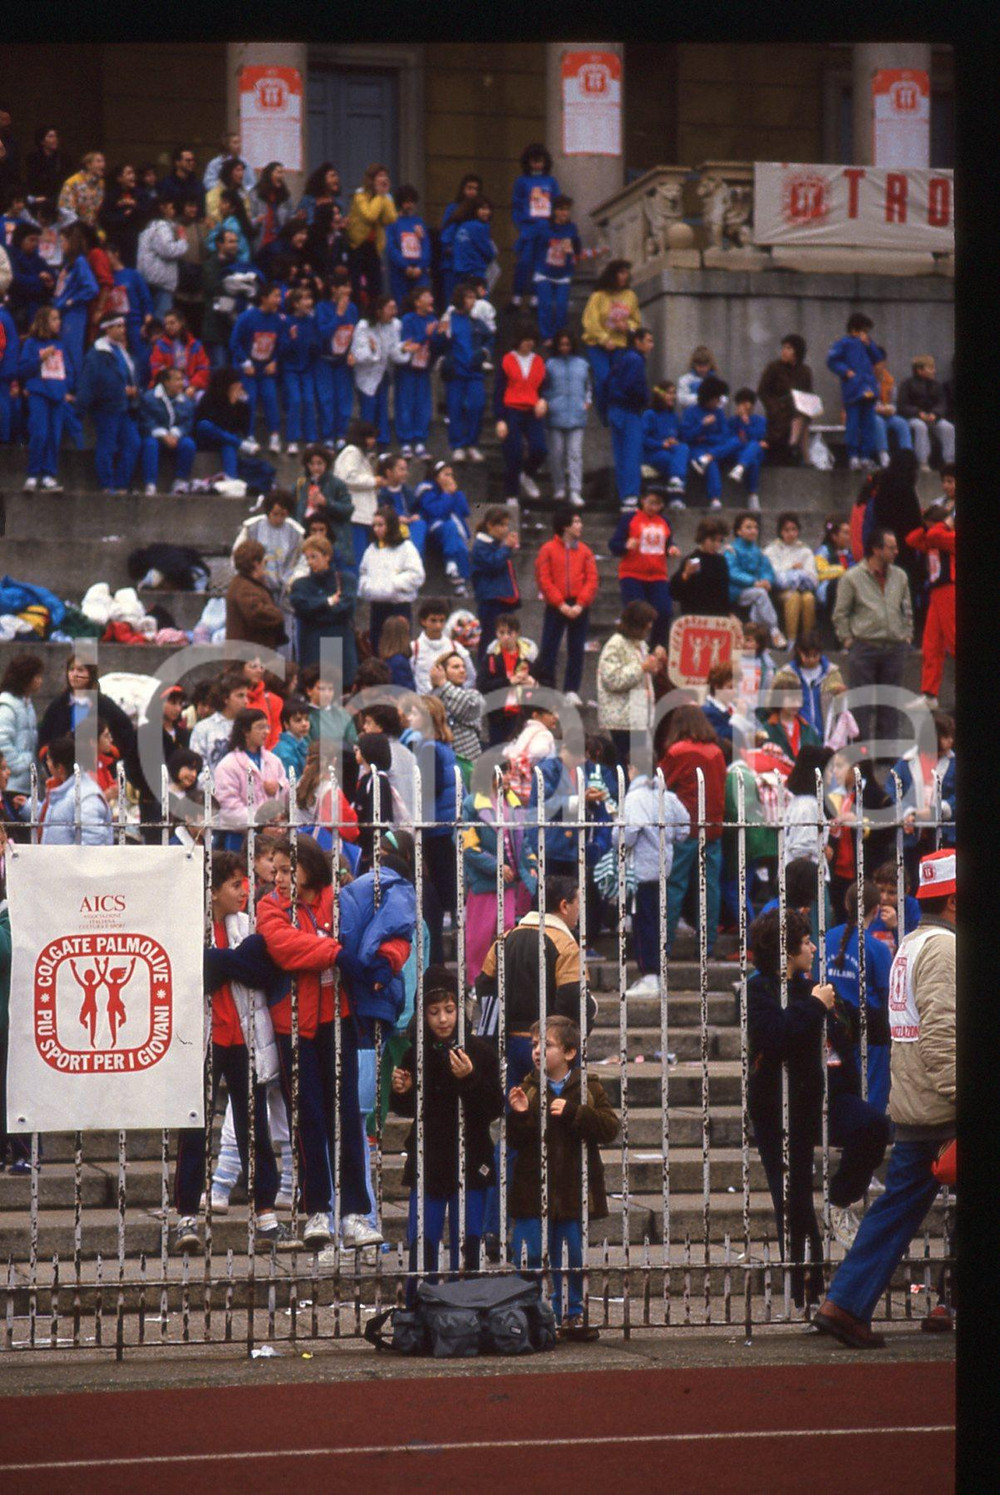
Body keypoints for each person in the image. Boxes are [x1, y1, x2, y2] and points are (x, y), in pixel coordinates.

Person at [813, 850, 955, 1348]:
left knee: (896, 1206)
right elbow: (940, 1035)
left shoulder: (911, 944)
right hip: (943, 1106)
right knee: (900, 1205)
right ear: (955, 900)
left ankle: (846, 1302)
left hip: (915, 1100)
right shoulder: (943, 950)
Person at [748, 908, 891, 1309]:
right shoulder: (759, 991)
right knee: (791, 1199)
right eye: (806, 942)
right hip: (779, 1109)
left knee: (874, 1127)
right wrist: (813, 1006)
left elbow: (861, 1022)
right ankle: (804, 1284)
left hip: (826, 1100)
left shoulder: (817, 987)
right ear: (787, 950)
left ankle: (840, 1200)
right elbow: (774, 1037)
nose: (813, 947)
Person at [257, 835, 386, 1251]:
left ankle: (353, 1214)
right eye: (273, 870)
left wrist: (383, 960)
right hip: (293, 1025)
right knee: (307, 1117)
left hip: (338, 1018)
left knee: (347, 1114)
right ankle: (317, 1210)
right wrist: (334, 952)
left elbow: (379, 933)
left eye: (284, 870)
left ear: (308, 869)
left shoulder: (340, 899)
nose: (275, 878)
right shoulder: (269, 906)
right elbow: (283, 948)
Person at [172, 851, 287, 1254]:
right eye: (235, 885)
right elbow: (191, 971)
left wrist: (223, 964)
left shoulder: (248, 924)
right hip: (205, 1040)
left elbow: (264, 971)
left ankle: (266, 1215)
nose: (244, 891)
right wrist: (232, 962)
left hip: (246, 1038)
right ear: (213, 890)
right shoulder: (190, 925)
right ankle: (186, 1216)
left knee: (254, 1127)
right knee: (195, 1127)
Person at [390, 966, 503, 1301]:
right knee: (422, 1236)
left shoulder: (479, 1052)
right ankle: (417, 1304)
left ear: (460, 1011)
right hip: (430, 1158)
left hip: (471, 1158)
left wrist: (469, 1077)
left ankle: (465, 1304)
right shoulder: (416, 1053)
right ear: (423, 1014)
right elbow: (409, 1109)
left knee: (466, 1239)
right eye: (434, 1011)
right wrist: (402, 1091)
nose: (443, 1019)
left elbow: (493, 1107)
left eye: (449, 1010)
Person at [508, 1015, 618, 1339]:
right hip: (533, 1188)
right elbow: (517, 1140)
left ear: (570, 1052)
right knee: (527, 1251)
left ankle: (570, 1314)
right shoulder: (528, 1086)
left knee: (569, 1254)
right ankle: (529, 1314)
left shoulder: (588, 1086)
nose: (539, 1051)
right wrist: (519, 1115)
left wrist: (575, 1112)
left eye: (548, 1044)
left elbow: (609, 1127)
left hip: (572, 1188)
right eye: (535, 1045)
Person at [832, 527, 913, 751]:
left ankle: (887, 751)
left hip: (894, 646)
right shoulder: (852, 578)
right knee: (862, 701)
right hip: (864, 646)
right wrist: (847, 639)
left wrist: (907, 635)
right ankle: (862, 751)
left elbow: (906, 609)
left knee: (891, 700)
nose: (896, 551)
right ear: (876, 549)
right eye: (891, 547)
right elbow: (840, 613)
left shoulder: (900, 576)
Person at [657, 704, 727, 958]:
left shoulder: (678, 751)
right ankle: (707, 943)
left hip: (685, 829)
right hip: (713, 828)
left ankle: (665, 942)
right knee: (709, 886)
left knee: (675, 884)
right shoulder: (716, 752)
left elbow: (662, 783)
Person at [461, 764, 537, 980]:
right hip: (484, 883)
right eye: (500, 772)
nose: (505, 777)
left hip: (512, 882)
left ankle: (507, 980)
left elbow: (524, 843)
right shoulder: (472, 804)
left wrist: (531, 865)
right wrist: (496, 866)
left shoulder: (512, 803)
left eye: (507, 772)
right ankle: (477, 981)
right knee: (479, 936)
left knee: (508, 932)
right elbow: (468, 846)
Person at [622, 761, 690, 997]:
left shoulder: (634, 798)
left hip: (641, 869)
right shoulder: (666, 797)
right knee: (658, 919)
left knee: (644, 922)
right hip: (662, 867)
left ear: (632, 768)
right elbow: (684, 828)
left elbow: (627, 834)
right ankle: (655, 974)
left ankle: (650, 976)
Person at [825, 880, 893, 1114]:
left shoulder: (826, 939)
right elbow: (887, 992)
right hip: (870, 1025)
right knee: (872, 1089)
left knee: (842, 1085)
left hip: (834, 1023)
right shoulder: (877, 948)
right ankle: (868, 1141)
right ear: (876, 909)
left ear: (846, 904)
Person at [534, 506, 598, 706]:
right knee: (549, 646)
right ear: (565, 525)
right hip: (556, 605)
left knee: (576, 648)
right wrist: (560, 603)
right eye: (576, 522)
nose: (580, 526)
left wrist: (580, 604)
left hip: (579, 604)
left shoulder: (585, 551)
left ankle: (571, 689)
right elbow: (544, 579)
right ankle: (547, 686)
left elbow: (592, 579)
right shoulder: (548, 549)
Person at [76, 312, 142, 494]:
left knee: (132, 443)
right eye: (118, 326)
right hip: (106, 406)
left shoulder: (121, 351)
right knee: (107, 446)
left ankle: (122, 484)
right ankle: (107, 485)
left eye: (123, 326)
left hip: (125, 407)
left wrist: (134, 391)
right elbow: (92, 381)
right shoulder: (98, 353)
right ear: (108, 328)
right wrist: (81, 408)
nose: (123, 330)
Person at [608, 487, 679, 651]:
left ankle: (657, 649)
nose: (654, 507)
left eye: (658, 504)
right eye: (651, 503)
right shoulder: (629, 519)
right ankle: (631, 648)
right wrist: (626, 545)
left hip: (657, 576)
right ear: (642, 500)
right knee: (636, 613)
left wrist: (672, 548)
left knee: (664, 610)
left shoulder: (664, 521)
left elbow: (668, 543)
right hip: (632, 574)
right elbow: (614, 545)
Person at [596, 599, 664, 767]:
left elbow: (642, 674)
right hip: (622, 717)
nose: (649, 628)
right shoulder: (616, 644)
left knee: (640, 764)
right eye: (646, 623)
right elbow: (611, 679)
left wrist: (656, 662)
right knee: (627, 764)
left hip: (638, 712)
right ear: (636, 623)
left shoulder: (640, 644)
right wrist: (642, 667)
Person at [195, 366, 276, 498]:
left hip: (228, 441)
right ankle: (240, 445)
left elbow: (241, 428)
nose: (239, 386)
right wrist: (228, 405)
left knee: (229, 443)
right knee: (205, 425)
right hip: (207, 439)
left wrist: (238, 405)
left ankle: (231, 480)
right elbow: (209, 424)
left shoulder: (241, 404)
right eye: (235, 384)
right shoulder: (209, 399)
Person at [289, 534, 358, 684]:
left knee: (339, 692)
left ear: (327, 556)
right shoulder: (300, 585)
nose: (310, 562)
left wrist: (317, 611)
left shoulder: (346, 579)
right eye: (307, 558)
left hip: (339, 642)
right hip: (313, 645)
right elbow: (302, 608)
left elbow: (346, 609)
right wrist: (328, 602)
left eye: (314, 557)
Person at [905, 501, 955, 706]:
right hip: (937, 592)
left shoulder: (946, 536)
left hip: (950, 589)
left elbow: (935, 535)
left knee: (954, 638)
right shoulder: (934, 535)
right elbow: (911, 539)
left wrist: (942, 524)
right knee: (931, 644)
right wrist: (925, 523)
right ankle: (930, 693)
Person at [358, 503, 426, 653]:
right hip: (377, 607)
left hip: (398, 607)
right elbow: (363, 573)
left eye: (381, 525)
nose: (376, 529)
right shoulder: (371, 550)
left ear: (391, 525)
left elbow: (417, 575)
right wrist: (368, 587)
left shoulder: (406, 548)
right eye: (374, 525)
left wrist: (393, 585)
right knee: (377, 648)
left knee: (397, 650)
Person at [493, 320, 548, 503]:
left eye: (532, 340)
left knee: (540, 449)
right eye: (526, 340)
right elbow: (499, 390)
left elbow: (543, 387)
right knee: (514, 452)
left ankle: (527, 474)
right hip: (511, 410)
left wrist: (542, 400)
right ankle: (511, 493)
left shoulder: (538, 361)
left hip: (532, 410)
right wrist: (500, 418)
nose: (529, 343)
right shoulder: (507, 360)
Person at [17, 305, 71, 493]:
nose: (58, 322)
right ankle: (33, 474)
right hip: (39, 393)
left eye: (59, 319)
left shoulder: (60, 345)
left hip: (57, 395)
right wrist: (40, 358)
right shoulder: (31, 344)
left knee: (54, 435)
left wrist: (66, 388)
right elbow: (23, 369)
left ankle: (49, 474)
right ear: (44, 322)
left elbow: (68, 370)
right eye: (54, 319)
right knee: (39, 433)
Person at [580, 259, 640, 424]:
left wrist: (627, 326)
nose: (624, 276)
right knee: (604, 378)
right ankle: (603, 413)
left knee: (618, 381)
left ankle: (614, 412)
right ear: (612, 275)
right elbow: (589, 322)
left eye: (626, 273)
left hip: (620, 345)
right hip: (597, 345)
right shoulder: (598, 296)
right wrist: (604, 339)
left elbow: (637, 322)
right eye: (621, 273)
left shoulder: (630, 296)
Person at [826, 312, 885, 471]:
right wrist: (846, 371)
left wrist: (869, 345)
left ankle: (866, 456)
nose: (865, 334)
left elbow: (878, 358)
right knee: (853, 423)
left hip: (868, 387)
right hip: (853, 389)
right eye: (863, 330)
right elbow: (832, 360)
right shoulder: (843, 343)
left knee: (869, 424)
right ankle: (853, 456)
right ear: (855, 330)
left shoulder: (868, 344)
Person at [230, 281, 283, 452]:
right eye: (275, 296)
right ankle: (249, 435)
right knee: (249, 399)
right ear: (264, 298)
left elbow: (281, 344)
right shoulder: (247, 317)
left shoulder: (278, 319)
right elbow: (234, 342)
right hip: (249, 369)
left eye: (279, 296)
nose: (278, 300)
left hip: (266, 369)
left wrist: (274, 361)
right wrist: (245, 362)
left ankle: (274, 436)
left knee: (270, 398)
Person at [606, 325, 653, 511]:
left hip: (617, 410)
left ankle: (626, 496)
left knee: (621, 454)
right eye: (648, 340)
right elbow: (631, 386)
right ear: (637, 341)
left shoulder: (624, 358)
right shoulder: (636, 360)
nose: (652, 345)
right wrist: (643, 399)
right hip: (629, 411)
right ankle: (631, 496)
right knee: (632, 454)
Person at [680, 374, 743, 511]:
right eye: (716, 399)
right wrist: (702, 425)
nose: (718, 402)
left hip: (714, 448)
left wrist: (707, 439)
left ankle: (708, 457)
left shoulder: (718, 413)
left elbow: (725, 436)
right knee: (711, 463)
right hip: (697, 449)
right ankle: (715, 498)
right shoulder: (690, 412)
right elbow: (686, 436)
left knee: (736, 441)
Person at [725, 510, 787, 649]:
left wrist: (766, 581)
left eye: (755, 527)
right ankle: (773, 629)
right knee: (760, 594)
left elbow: (767, 570)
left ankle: (758, 640)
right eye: (748, 527)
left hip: (755, 589)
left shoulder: (758, 551)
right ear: (739, 531)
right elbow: (732, 572)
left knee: (759, 600)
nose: (753, 531)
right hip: (737, 591)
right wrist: (754, 582)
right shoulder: (731, 550)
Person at [350, 293, 405, 448]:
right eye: (390, 308)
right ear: (379, 311)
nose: (394, 312)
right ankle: (365, 445)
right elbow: (359, 355)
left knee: (383, 410)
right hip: (367, 376)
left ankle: (383, 445)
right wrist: (373, 351)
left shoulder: (395, 325)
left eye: (395, 308)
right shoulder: (363, 326)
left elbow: (394, 350)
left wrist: (404, 349)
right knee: (368, 411)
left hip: (384, 374)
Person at [38, 734, 113, 846]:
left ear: (59, 767)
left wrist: (70, 862)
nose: (47, 764)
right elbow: (56, 816)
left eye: (48, 760)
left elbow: (92, 840)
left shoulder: (85, 796)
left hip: (72, 863)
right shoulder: (62, 790)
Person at [509, 142, 559, 306]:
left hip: (546, 229)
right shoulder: (522, 181)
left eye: (540, 160)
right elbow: (516, 206)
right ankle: (517, 295)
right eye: (534, 160)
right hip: (528, 229)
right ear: (528, 162)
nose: (537, 164)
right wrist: (520, 225)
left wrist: (555, 226)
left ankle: (535, 298)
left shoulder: (550, 181)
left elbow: (557, 204)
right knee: (524, 262)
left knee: (541, 264)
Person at [544, 329, 590, 507]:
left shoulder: (582, 364)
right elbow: (545, 387)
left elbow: (588, 387)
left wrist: (586, 402)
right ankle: (559, 487)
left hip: (577, 414)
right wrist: (549, 404)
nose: (565, 348)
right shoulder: (550, 364)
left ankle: (575, 490)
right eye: (562, 344)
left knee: (575, 454)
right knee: (556, 454)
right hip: (555, 414)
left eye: (567, 344)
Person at [314, 268, 358, 448]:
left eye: (349, 287)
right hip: (325, 359)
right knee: (326, 399)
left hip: (343, 362)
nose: (348, 291)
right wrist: (338, 315)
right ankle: (327, 435)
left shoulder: (353, 308)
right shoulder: (322, 307)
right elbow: (323, 333)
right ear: (334, 288)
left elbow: (356, 333)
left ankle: (341, 434)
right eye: (344, 287)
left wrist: (353, 352)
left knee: (344, 398)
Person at [416, 459, 473, 598]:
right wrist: (446, 495)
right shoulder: (427, 490)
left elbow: (465, 511)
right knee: (450, 527)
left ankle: (461, 581)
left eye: (451, 475)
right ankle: (451, 562)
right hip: (434, 530)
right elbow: (436, 511)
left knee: (461, 546)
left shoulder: (452, 491)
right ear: (436, 476)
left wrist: (456, 493)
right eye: (446, 474)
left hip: (452, 532)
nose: (449, 478)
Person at [757, 333, 816, 465]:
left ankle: (795, 446)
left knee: (802, 415)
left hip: (798, 410)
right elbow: (762, 391)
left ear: (797, 351)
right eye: (783, 347)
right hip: (779, 409)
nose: (784, 351)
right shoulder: (774, 368)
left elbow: (809, 393)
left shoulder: (805, 371)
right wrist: (774, 406)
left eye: (789, 348)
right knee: (795, 417)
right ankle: (794, 447)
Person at [344, 163, 396, 308]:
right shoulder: (360, 195)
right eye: (380, 176)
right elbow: (370, 216)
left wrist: (385, 196)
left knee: (376, 286)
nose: (383, 179)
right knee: (356, 286)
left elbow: (390, 218)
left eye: (385, 176)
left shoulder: (385, 197)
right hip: (357, 245)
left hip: (374, 246)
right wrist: (380, 196)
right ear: (372, 179)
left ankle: (375, 315)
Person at [470, 505, 521, 657]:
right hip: (491, 600)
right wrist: (506, 548)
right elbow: (493, 564)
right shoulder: (480, 546)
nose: (505, 529)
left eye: (507, 525)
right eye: (502, 525)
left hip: (503, 599)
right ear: (490, 525)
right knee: (490, 640)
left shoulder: (496, 545)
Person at [138, 364, 196, 495]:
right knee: (150, 445)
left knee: (188, 444)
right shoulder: (149, 397)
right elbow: (146, 420)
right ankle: (150, 483)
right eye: (177, 380)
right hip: (155, 436)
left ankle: (180, 481)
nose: (181, 383)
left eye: (182, 379)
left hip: (176, 437)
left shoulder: (186, 401)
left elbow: (187, 423)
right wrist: (163, 435)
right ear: (166, 382)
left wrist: (176, 433)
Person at [278, 283, 320, 454]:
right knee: (295, 401)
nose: (309, 302)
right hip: (290, 369)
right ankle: (292, 439)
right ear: (295, 303)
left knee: (309, 401)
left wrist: (313, 345)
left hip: (307, 368)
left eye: (310, 298)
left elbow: (318, 344)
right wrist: (292, 339)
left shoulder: (312, 321)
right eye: (304, 298)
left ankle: (311, 439)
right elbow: (281, 349)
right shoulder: (287, 322)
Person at [396, 285, 436, 458]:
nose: (431, 300)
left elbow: (436, 345)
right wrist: (425, 335)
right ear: (417, 302)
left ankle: (420, 441)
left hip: (424, 369)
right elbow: (409, 344)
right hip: (407, 369)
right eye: (427, 296)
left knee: (422, 405)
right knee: (405, 404)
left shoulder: (433, 319)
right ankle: (405, 442)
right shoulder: (408, 319)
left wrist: (439, 335)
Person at [431, 652, 484, 782]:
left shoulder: (473, 695)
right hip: (443, 764)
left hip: (470, 764)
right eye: (455, 667)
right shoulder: (432, 699)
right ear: (442, 671)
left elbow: (468, 707)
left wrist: (444, 685)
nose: (462, 670)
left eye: (463, 667)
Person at [225, 539, 287, 650]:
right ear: (256, 564)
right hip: (249, 658)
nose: (266, 566)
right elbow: (257, 614)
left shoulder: (246, 584)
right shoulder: (245, 588)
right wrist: (278, 614)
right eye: (265, 562)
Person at [334, 417, 379, 566]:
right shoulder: (351, 452)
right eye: (370, 437)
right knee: (356, 560)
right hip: (354, 517)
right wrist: (374, 481)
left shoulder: (361, 455)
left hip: (363, 517)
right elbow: (348, 477)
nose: (373, 441)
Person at [897, 355, 954, 471]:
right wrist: (918, 413)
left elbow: (942, 403)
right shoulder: (907, 384)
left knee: (948, 428)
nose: (934, 371)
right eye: (931, 368)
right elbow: (902, 405)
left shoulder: (936, 385)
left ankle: (950, 461)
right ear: (920, 370)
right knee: (920, 427)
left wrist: (935, 413)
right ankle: (923, 461)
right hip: (913, 417)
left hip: (932, 417)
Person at [136, 197, 189, 320]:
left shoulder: (149, 226)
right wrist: (183, 241)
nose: (174, 211)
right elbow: (168, 250)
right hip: (161, 283)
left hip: (149, 280)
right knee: (162, 322)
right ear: (162, 208)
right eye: (171, 208)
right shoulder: (161, 226)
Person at [669, 516, 732, 619]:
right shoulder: (692, 559)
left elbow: (724, 593)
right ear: (702, 538)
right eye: (712, 540)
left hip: (716, 617)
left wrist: (727, 613)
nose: (716, 544)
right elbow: (674, 592)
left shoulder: (721, 561)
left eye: (720, 541)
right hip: (694, 616)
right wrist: (685, 574)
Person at [0, 654, 44, 798]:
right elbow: (2, 741)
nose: (40, 681)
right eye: (36, 677)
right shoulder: (7, 705)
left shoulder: (27, 703)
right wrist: (20, 765)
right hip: (12, 785)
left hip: (27, 784)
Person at [640, 380, 689, 504]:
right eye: (669, 393)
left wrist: (674, 441)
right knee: (673, 461)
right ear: (660, 395)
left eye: (674, 393)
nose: (672, 396)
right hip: (653, 453)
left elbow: (680, 435)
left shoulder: (673, 416)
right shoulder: (649, 414)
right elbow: (643, 439)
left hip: (671, 450)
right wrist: (661, 443)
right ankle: (676, 498)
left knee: (683, 448)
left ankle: (675, 482)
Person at [412, 597, 473, 695]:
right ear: (423, 621)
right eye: (433, 620)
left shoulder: (457, 648)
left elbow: (470, 678)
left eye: (442, 621)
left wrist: (457, 698)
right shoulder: (413, 649)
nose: (438, 626)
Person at [384, 183, 430, 308]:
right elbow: (391, 248)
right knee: (402, 305)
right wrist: (405, 267)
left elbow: (426, 246)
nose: (410, 205)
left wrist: (421, 267)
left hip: (419, 272)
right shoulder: (393, 222)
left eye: (412, 202)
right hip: (400, 273)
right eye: (406, 202)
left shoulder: (418, 221)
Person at [727, 387, 769, 510]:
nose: (746, 406)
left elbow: (759, 436)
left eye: (748, 403)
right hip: (739, 453)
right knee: (753, 461)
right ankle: (752, 494)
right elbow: (730, 439)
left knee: (754, 446)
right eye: (742, 403)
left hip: (755, 451)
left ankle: (740, 467)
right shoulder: (733, 421)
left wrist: (746, 423)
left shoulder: (760, 420)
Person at [814, 514, 853, 624]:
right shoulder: (824, 551)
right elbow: (820, 572)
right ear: (834, 536)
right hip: (828, 591)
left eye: (849, 533)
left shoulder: (849, 554)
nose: (849, 537)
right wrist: (843, 571)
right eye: (845, 533)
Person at [249, 163, 293, 260]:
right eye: (278, 172)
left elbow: (290, 217)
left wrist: (296, 218)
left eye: (283, 173)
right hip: (261, 241)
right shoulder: (255, 194)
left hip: (280, 240)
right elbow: (248, 221)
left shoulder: (285, 195)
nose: (282, 175)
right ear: (269, 174)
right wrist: (257, 220)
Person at [58, 151, 106, 227]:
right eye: (99, 161)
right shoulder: (72, 183)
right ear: (88, 165)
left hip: (95, 229)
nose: (103, 164)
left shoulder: (101, 184)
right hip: (75, 230)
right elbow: (66, 210)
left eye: (103, 161)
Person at [676, 344, 726, 412]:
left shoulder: (716, 381)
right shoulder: (685, 379)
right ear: (694, 365)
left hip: (711, 416)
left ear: (710, 365)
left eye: (705, 366)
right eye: (699, 366)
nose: (702, 369)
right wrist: (705, 398)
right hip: (692, 418)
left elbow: (723, 400)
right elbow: (682, 399)